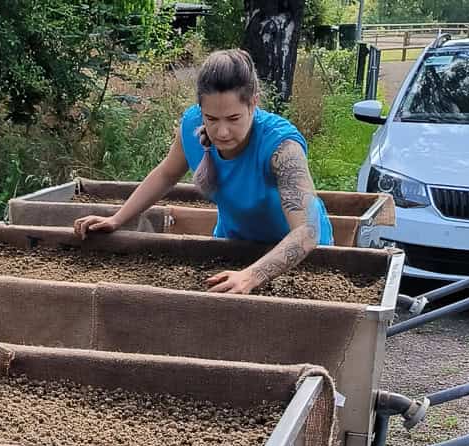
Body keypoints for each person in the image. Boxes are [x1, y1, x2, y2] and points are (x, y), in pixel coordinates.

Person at [74, 49, 333, 295]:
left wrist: (251, 276)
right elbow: (166, 174)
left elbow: (306, 233)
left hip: (296, 258)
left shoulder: (281, 147)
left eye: (233, 119)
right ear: (200, 109)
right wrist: (117, 219)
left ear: (254, 103)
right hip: (234, 245)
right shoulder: (191, 124)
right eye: (211, 119)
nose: (221, 132)